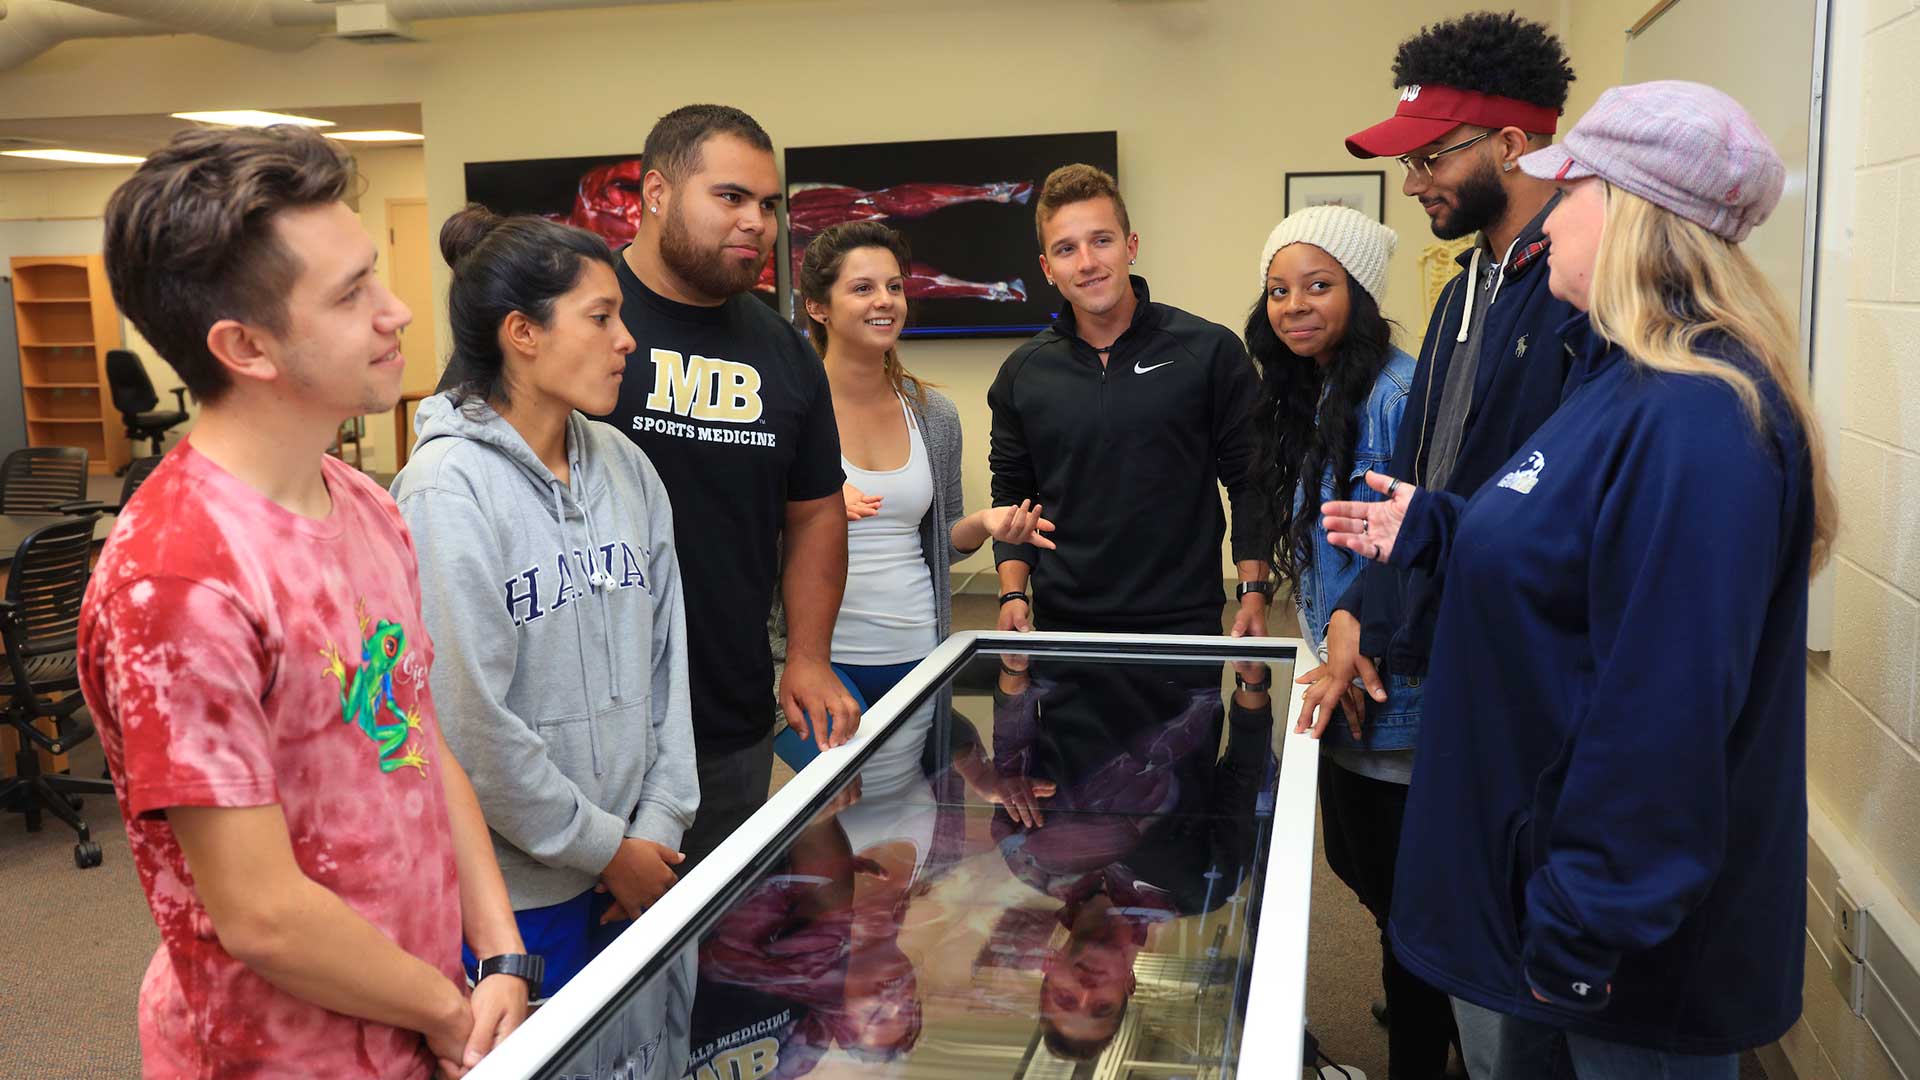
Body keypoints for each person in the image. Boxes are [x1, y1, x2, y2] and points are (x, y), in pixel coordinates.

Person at [1322, 81, 1836, 1078]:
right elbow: (1580, 550)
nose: (1554, 218)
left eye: (1578, 192)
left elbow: (1665, 709)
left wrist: (1580, 927)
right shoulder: (1616, 376)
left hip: (1611, 954)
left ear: (1639, 216)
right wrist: (1439, 525)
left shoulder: (1701, 420)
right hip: (1540, 890)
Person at [79, 126, 529, 1079]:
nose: (397, 310)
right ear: (245, 347)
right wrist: (450, 1013)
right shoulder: (180, 578)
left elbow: (412, 731)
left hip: (419, 1013)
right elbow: (265, 915)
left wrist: (499, 956)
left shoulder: (365, 500)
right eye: (351, 293)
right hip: (280, 1056)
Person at [392, 206, 700, 999]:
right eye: (601, 317)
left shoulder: (628, 466)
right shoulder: (445, 491)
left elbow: (670, 661)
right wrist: (603, 849)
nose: (626, 339)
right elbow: (467, 722)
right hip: (519, 902)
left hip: (641, 863)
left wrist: (653, 829)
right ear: (521, 334)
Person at [582, 104, 861, 867]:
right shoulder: (574, 316)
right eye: (732, 197)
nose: (758, 223)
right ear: (658, 195)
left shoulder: (784, 350)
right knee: (592, 974)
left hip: (726, 721)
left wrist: (808, 653)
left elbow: (814, 514)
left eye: (769, 205)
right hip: (587, 730)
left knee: (710, 959)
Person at [1308, 11, 1581, 744]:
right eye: (1409, 163)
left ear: (1512, 146)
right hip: (1445, 645)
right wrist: (1358, 605)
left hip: (1524, 671)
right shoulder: (1466, 287)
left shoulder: (1580, 295)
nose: (1411, 184)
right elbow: (1418, 485)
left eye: (1432, 159)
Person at [1246, 206, 1453, 1079]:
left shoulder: (1397, 394)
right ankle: (1421, 996)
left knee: (1406, 894)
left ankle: (1422, 1040)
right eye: (1279, 289)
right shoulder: (1315, 387)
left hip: (1388, 684)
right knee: (1359, 862)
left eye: (1319, 287)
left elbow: (1419, 552)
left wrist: (1354, 637)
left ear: (1360, 295)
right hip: (1335, 672)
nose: (1295, 306)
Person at [781, 220, 1052, 768]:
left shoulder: (934, 415)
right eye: (863, 288)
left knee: (912, 823)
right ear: (817, 307)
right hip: (823, 662)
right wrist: (810, 507)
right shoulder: (784, 411)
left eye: (895, 286)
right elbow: (741, 535)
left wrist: (983, 523)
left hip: (918, 652)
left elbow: (943, 542)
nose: (885, 301)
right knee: (847, 818)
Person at [987, 164, 1267, 638]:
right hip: (1063, 625)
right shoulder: (1023, 372)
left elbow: (1250, 479)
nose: (1087, 263)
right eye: (1066, 249)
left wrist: (1253, 594)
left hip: (1184, 621)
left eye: (1102, 240)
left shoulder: (1208, 351)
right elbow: (1014, 494)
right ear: (1046, 269)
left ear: (1130, 246)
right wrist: (1013, 594)